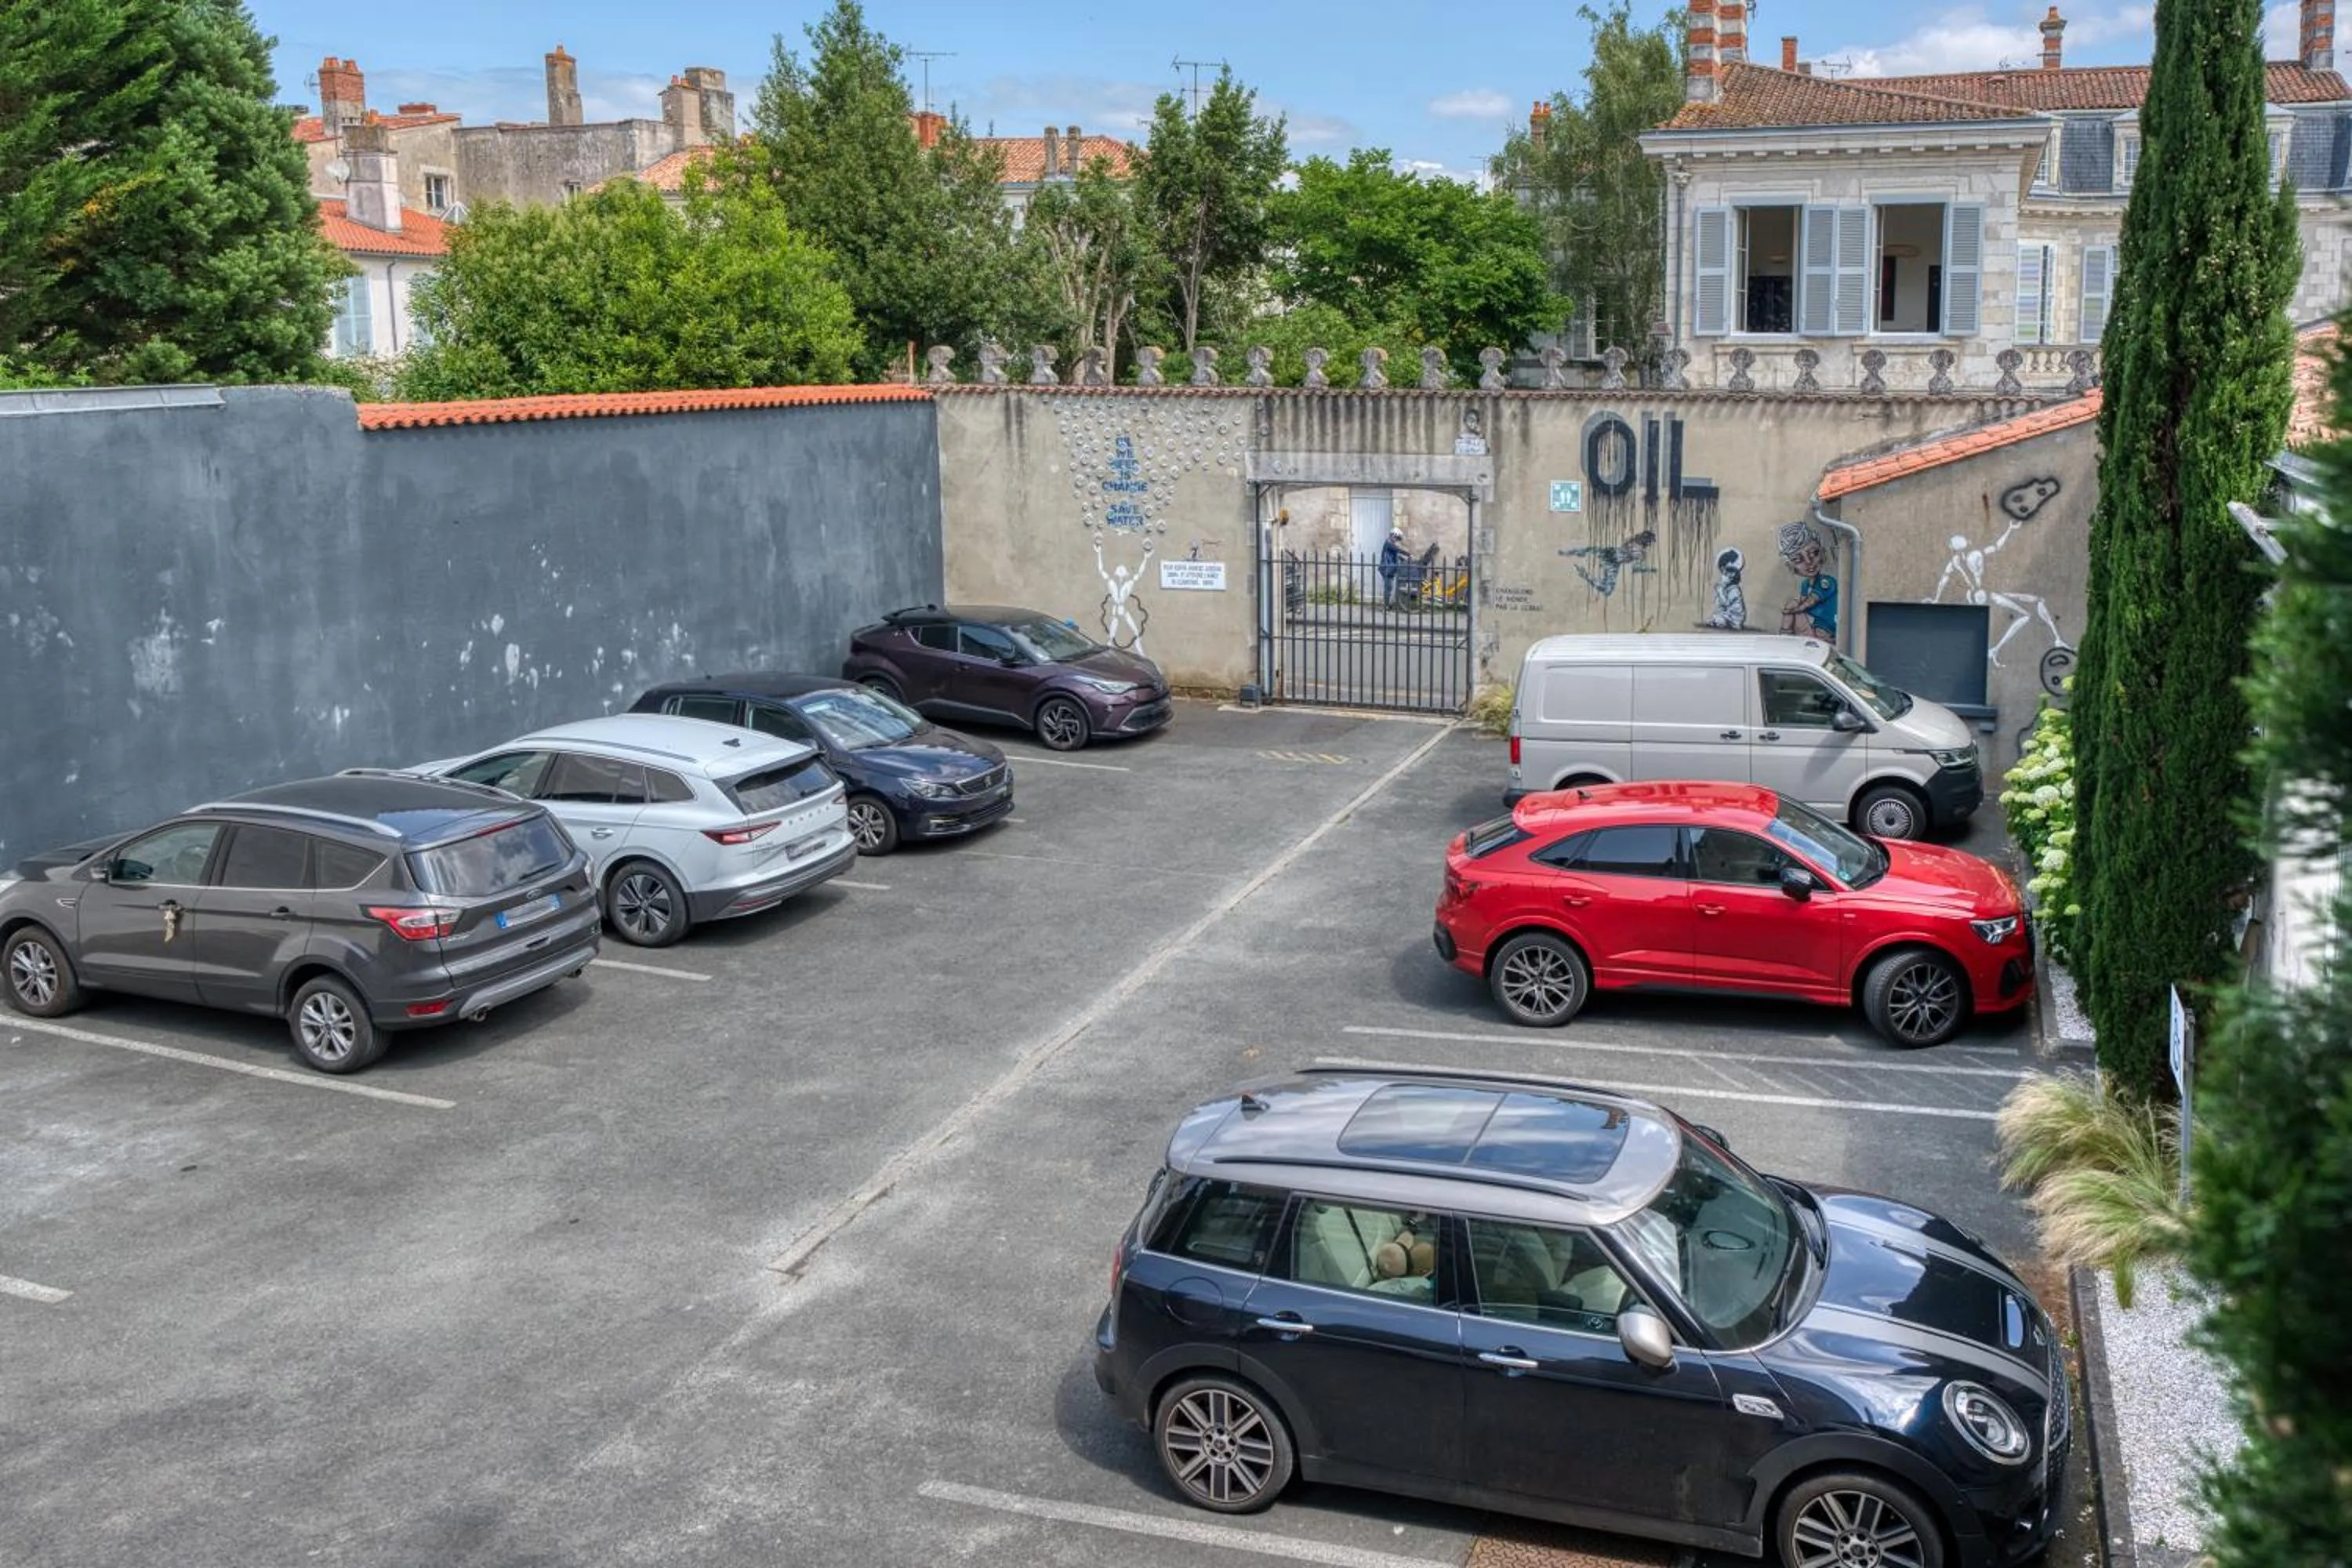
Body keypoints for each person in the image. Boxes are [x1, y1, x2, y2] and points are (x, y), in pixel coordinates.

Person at [1378, 527, 1406, 607]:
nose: (1397, 540)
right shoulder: (1388, 543)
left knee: (1389, 587)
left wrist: (1403, 559)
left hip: (1390, 569)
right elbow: (1397, 550)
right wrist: (1409, 554)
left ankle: (1387, 604)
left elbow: (1396, 554)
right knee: (1388, 587)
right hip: (1386, 569)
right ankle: (1386, 606)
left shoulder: (1391, 544)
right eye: (1397, 538)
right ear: (1393, 536)